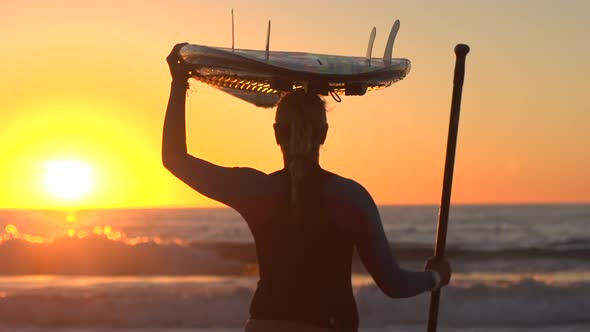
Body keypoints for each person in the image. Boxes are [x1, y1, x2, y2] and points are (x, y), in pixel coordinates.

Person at [162, 44, 451, 332]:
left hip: (263, 323)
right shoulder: (350, 198)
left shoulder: (254, 190)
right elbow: (394, 284)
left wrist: (179, 82)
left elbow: (174, 158)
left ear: (276, 134)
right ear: (323, 134)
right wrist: (435, 277)